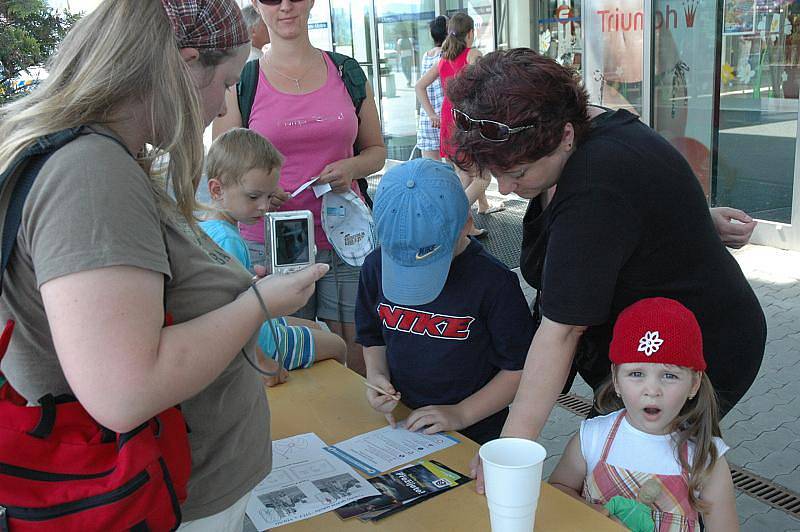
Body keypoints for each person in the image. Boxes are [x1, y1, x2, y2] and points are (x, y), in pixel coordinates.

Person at [0, 0, 328, 529]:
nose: (223, 107)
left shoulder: (93, 157)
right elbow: (125, 389)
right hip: (162, 499)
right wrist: (259, 305)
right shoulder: (90, 172)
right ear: (183, 65)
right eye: (224, 84)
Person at [444, 49, 766, 491]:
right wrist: (696, 220)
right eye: (496, 174)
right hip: (641, 341)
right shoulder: (586, 130)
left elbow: (561, 332)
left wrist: (510, 452)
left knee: (638, 477)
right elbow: (646, 197)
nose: (505, 188)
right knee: (612, 463)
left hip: (697, 350)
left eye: (516, 172)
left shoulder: (594, 187)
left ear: (565, 136)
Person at [213, 0, 386, 377]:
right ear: (258, 5)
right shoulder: (244, 80)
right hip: (270, 241)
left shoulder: (346, 72)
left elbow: (377, 151)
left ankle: (362, 435)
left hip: (344, 235)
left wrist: (352, 167)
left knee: (359, 355)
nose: (286, 6)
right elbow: (223, 167)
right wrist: (261, 192)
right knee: (290, 357)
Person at [355, 159, 532, 444]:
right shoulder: (376, 267)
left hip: (476, 430)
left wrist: (461, 413)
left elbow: (519, 369)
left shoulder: (494, 283)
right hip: (403, 424)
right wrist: (377, 376)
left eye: (425, 263)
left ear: (467, 224)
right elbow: (372, 336)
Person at [549, 298, 739, 531]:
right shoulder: (592, 437)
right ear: (616, 379)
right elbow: (558, 489)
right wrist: (598, 515)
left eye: (669, 376)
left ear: (694, 383)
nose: (652, 390)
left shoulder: (704, 458)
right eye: (637, 373)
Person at [201, 128, 347, 377]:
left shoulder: (208, 229)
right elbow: (229, 316)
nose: (264, 206)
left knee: (315, 327)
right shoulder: (229, 240)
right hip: (265, 346)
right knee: (338, 345)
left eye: (269, 196)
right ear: (217, 190)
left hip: (261, 331)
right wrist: (263, 363)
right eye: (254, 196)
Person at [415, 12, 502, 238]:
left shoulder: (444, 59)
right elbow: (486, 86)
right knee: (483, 178)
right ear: (471, 33)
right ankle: (449, 218)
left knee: (463, 177)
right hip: (465, 122)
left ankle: (467, 227)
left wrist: (432, 113)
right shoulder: (473, 55)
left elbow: (419, 86)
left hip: (448, 119)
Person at [416, 16, 447, 160]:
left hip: (428, 117)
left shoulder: (426, 56)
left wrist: (430, 114)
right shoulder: (446, 56)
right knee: (454, 170)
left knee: (431, 169)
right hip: (444, 116)